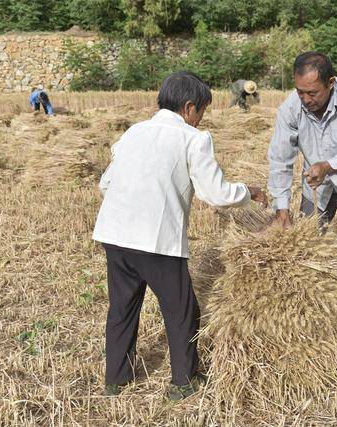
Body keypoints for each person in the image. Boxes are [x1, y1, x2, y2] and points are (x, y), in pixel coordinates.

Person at [92, 71, 268, 399]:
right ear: (189, 108)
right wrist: (249, 191)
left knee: (122, 307)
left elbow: (106, 183)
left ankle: (115, 380)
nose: (201, 119)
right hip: (155, 240)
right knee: (182, 310)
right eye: (202, 111)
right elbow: (215, 194)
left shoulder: (133, 132)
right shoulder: (193, 138)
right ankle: (183, 382)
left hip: (113, 233)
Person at [267, 52, 337, 339]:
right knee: (305, 249)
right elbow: (280, 159)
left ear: (330, 83)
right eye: (300, 92)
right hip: (316, 187)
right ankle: (308, 314)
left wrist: (329, 166)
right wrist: (282, 209)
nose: (306, 99)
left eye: (313, 93)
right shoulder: (291, 109)